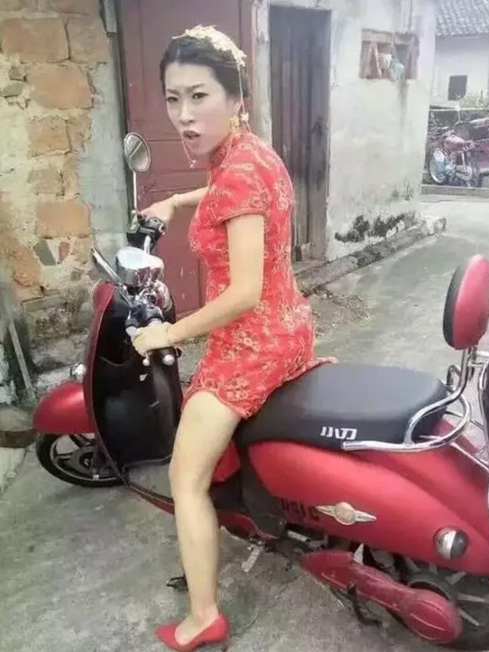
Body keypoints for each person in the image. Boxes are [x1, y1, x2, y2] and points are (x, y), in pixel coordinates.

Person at [131, 25, 328, 652]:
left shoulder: (237, 173)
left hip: (251, 347)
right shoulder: (251, 154)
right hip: (290, 327)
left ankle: (203, 616)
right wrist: (174, 201)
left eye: (199, 97)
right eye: (173, 99)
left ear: (236, 98)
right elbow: (229, 194)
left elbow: (242, 293)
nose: (184, 116)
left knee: (182, 476)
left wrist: (169, 331)